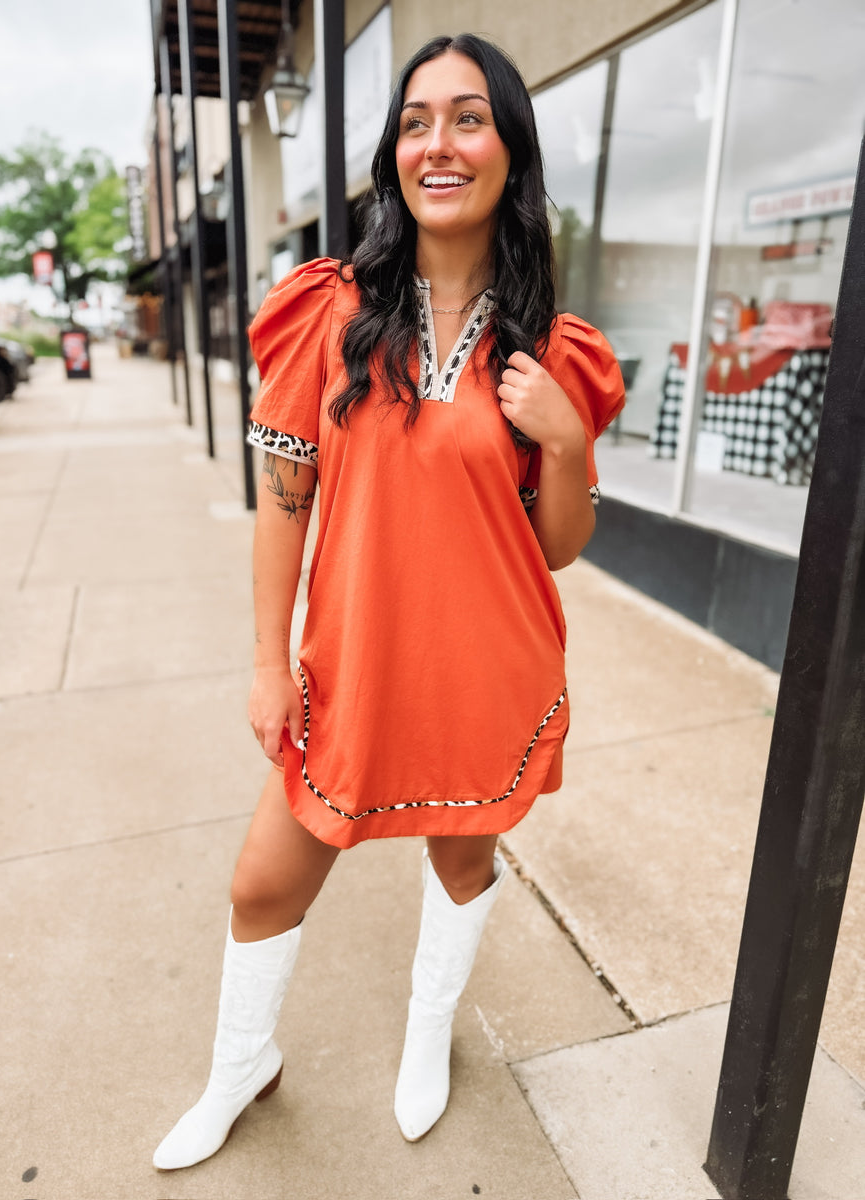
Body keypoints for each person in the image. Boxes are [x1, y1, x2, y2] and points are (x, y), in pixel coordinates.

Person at [153, 32, 624, 1171]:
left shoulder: (552, 348)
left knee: (460, 865)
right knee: (264, 881)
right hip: (351, 666)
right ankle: (240, 1065)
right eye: (416, 123)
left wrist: (567, 442)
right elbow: (284, 504)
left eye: (468, 118)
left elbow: (557, 549)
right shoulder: (330, 313)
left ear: (510, 149)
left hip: (485, 669)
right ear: (394, 156)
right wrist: (269, 663)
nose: (438, 143)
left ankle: (427, 1035)